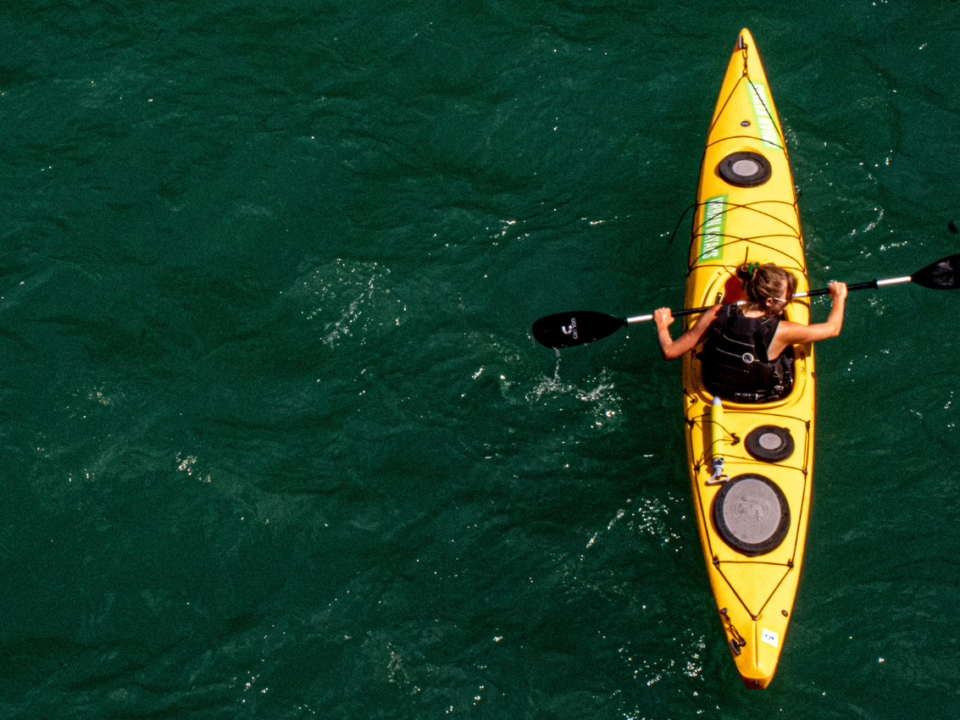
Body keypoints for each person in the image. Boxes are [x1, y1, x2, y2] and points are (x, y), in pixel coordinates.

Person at [653, 263, 848, 402]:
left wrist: (662, 326)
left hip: (717, 394)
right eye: (785, 298)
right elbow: (833, 329)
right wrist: (839, 297)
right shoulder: (783, 331)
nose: (788, 301)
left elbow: (670, 351)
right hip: (762, 399)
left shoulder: (717, 312)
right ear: (769, 302)